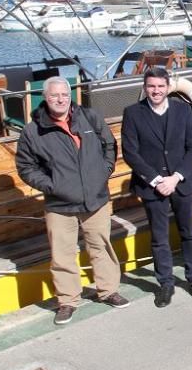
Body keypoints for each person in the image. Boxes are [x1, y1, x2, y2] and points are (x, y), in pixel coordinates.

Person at [15, 76, 128, 325]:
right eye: (54, 95)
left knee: (101, 246)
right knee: (62, 254)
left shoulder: (89, 118)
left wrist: (103, 171)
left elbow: (109, 144)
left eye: (64, 94)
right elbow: (25, 166)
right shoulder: (33, 130)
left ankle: (108, 290)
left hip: (95, 197)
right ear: (45, 97)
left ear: (70, 96)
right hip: (60, 203)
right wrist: (52, 185)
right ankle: (67, 300)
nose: (60, 99)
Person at [121, 67, 192, 308]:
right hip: (152, 186)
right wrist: (157, 180)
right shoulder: (133, 113)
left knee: (188, 232)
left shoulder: (184, 110)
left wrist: (176, 177)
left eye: (160, 86)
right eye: (151, 86)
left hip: (181, 182)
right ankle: (165, 283)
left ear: (168, 87)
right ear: (145, 88)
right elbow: (131, 153)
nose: (156, 91)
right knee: (159, 237)